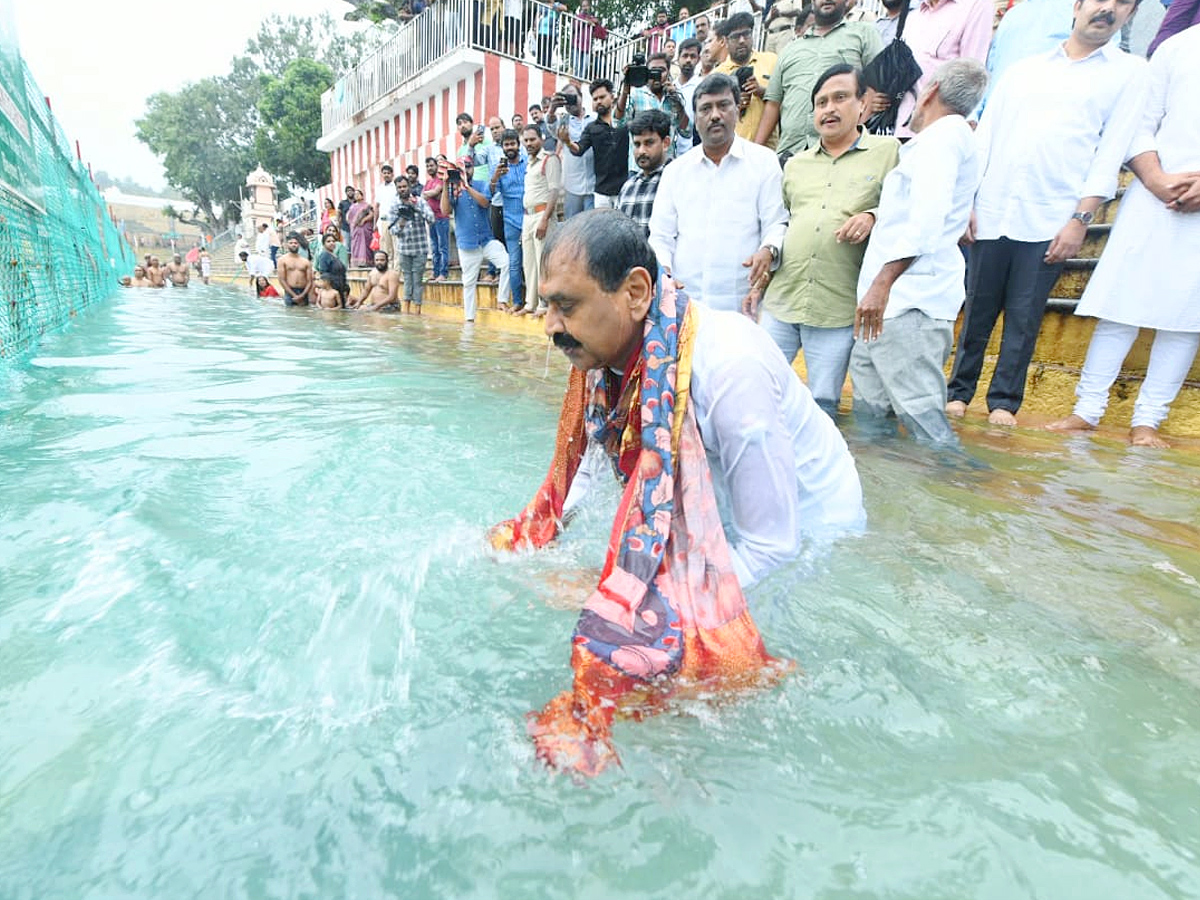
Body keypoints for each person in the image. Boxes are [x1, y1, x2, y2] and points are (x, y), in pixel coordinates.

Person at [492, 210, 862, 775]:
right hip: (732, 519)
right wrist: (531, 543)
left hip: (813, 533)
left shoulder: (727, 366)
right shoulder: (610, 359)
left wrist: (640, 610)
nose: (548, 326)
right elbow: (588, 468)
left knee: (689, 686)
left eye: (565, 306)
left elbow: (775, 547)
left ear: (635, 293)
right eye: (547, 304)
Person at [945, 0, 1148, 427]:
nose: (1108, 9)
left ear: (1130, 15)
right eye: (1099, 0)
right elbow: (986, 137)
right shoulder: (1023, 70)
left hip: (1051, 215)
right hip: (993, 207)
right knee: (976, 310)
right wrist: (967, 201)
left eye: (1123, 3)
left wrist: (1082, 219)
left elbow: (1111, 151)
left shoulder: (1128, 74)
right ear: (1076, 6)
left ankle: (1003, 404)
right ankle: (958, 393)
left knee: (1024, 316)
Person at [1048, 24, 1200, 448]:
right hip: (1156, 192)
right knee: (1121, 307)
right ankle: (1086, 411)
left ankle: (1147, 422)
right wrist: (1156, 179)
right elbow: (1141, 122)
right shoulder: (1179, 47)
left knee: (1186, 321)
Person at [849, 58, 989, 444]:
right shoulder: (944, 140)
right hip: (888, 308)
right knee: (871, 422)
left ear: (930, 92)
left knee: (926, 426)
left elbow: (926, 224)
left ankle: (960, 491)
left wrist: (882, 284)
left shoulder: (944, 138)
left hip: (908, 305)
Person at [750, 64, 901, 417]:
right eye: (820, 102)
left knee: (822, 405)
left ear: (863, 103)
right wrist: (767, 256)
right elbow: (782, 221)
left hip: (837, 307)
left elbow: (906, 213)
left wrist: (872, 215)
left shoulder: (888, 152)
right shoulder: (795, 164)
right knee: (759, 391)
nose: (829, 109)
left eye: (840, 98)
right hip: (782, 300)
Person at [649, 74, 789, 314]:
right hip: (685, 302)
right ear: (695, 118)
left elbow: (776, 223)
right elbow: (661, 236)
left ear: (737, 109)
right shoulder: (675, 172)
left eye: (723, 105)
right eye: (705, 108)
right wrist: (665, 272)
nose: (715, 115)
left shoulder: (764, 163)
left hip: (743, 304)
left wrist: (768, 250)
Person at [755, 0, 883, 157]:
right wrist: (755, 153)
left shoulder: (864, 33)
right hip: (792, 153)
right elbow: (773, 103)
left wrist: (857, 131)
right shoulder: (790, 49)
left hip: (845, 152)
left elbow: (876, 86)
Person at [892, 0, 993, 140]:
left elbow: (973, 78)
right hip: (901, 128)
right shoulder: (914, 16)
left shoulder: (976, 6)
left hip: (939, 134)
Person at [443, 156, 512, 321]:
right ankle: (469, 320)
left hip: (486, 239)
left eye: (468, 166)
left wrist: (467, 187)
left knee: (507, 262)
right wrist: (446, 186)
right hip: (467, 244)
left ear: (473, 168)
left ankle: (502, 300)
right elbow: (445, 211)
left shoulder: (481, 184)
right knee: (469, 283)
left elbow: (485, 203)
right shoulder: (452, 189)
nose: (466, 170)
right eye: (462, 168)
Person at [614, 51, 692, 171]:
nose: (657, 75)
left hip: (667, 169)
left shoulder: (674, 97)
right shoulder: (636, 94)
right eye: (653, 71)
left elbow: (687, 131)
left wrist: (676, 99)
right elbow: (617, 122)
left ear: (668, 72)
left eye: (661, 70)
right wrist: (625, 87)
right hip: (639, 169)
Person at [558, 79, 629, 210]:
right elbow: (578, 149)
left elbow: (621, 109)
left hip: (625, 190)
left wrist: (626, 86)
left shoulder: (624, 123)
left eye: (602, 97)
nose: (598, 101)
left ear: (612, 97)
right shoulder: (592, 128)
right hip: (601, 193)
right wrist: (567, 141)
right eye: (595, 99)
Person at [516, 123, 563, 316]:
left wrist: (545, 219)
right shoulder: (528, 163)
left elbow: (554, 191)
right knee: (529, 262)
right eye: (525, 140)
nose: (529, 143)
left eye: (532, 139)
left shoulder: (549, 159)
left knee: (543, 261)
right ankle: (530, 303)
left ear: (541, 139)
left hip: (543, 216)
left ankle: (545, 305)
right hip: (527, 217)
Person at [716, 12, 779, 148]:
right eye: (735, 37)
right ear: (726, 41)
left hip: (768, 151)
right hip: (732, 152)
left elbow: (786, 101)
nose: (742, 40)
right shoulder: (718, 75)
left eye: (746, 34)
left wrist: (762, 92)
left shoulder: (772, 61)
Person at [618, 109, 672, 235]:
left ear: (665, 143)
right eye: (637, 144)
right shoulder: (628, 187)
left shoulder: (677, 180)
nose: (641, 151)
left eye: (649, 143)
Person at [387, 176, 435, 315]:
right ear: (396, 189)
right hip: (404, 249)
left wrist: (415, 208)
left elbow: (431, 219)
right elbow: (392, 230)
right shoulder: (394, 205)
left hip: (420, 248)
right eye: (399, 187)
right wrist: (401, 222)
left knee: (417, 281)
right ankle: (406, 312)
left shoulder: (419, 201)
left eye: (404, 186)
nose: (402, 189)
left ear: (409, 187)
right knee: (407, 279)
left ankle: (417, 311)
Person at [494, 129, 530, 311]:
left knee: (533, 262)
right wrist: (495, 177)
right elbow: (491, 194)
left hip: (531, 218)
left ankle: (536, 301)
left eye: (512, 143)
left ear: (518, 144)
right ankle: (517, 302)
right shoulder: (499, 169)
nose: (510, 147)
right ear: (502, 148)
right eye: (506, 144)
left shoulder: (529, 163)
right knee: (514, 263)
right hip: (511, 222)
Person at [551, 84, 596, 218]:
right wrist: (551, 110)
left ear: (581, 97)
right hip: (572, 187)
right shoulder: (564, 122)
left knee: (591, 227)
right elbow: (552, 128)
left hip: (594, 185)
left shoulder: (595, 118)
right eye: (566, 99)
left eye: (572, 96)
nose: (570, 102)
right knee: (572, 227)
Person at [423, 156, 452, 281]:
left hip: (442, 218)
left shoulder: (441, 180)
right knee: (434, 247)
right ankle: (435, 272)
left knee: (442, 247)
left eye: (432, 165)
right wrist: (431, 193)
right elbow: (425, 196)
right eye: (428, 166)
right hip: (431, 219)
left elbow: (435, 192)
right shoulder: (428, 182)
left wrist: (431, 193)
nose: (430, 168)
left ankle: (443, 273)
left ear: (437, 166)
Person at [674, 38, 703, 156]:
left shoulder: (702, 86)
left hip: (692, 150)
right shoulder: (670, 86)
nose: (688, 60)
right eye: (685, 56)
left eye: (692, 56)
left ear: (698, 59)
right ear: (678, 58)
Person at [276, 231, 314, 306]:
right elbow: (281, 280)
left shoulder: (305, 262)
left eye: (295, 243)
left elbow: (310, 281)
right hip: (289, 291)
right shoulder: (282, 260)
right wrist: (294, 295)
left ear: (299, 245)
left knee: (305, 314)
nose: (293, 245)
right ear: (287, 245)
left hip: (303, 291)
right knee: (290, 315)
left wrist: (302, 295)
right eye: (291, 243)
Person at [315, 231, 351, 306]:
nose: (331, 243)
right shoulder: (324, 256)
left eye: (333, 241)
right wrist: (329, 290)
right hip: (332, 289)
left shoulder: (334, 256)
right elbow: (324, 274)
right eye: (328, 241)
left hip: (340, 287)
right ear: (323, 244)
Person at [571, 0, 606, 77]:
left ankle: (580, 82)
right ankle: (576, 82)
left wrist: (597, 23)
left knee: (584, 67)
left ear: (589, 7)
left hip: (587, 47)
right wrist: (585, 22)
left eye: (586, 6)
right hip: (577, 45)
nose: (585, 8)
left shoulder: (592, 18)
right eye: (583, 6)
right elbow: (574, 28)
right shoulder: (578, 17)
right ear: (581, 7)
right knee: (576, 66)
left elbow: (601, 34)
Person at [373, 164, 397, 266]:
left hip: (395, 219)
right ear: (382, 174)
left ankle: (397, 271)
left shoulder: (396, 187)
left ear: (392, 174)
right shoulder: (379, 188)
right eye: (384, 173)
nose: (386, 175)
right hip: (383, 221)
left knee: (396, 246)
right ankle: (388, 269)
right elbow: (377, 206)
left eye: (388, 173)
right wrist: (375, 223)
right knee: (386, 247)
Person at [348, 188, 375, 267]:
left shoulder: (366, 205)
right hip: (355, 229)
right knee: (356, 245)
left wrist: (364, 220)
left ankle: (367, 262)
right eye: (355, 195)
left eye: (358, 194)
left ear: (362, 195)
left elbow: (371, 214)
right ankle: (357, 262)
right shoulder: (352, 207)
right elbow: (349, 217)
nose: (356, 196)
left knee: (365, 244)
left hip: (364, 228)